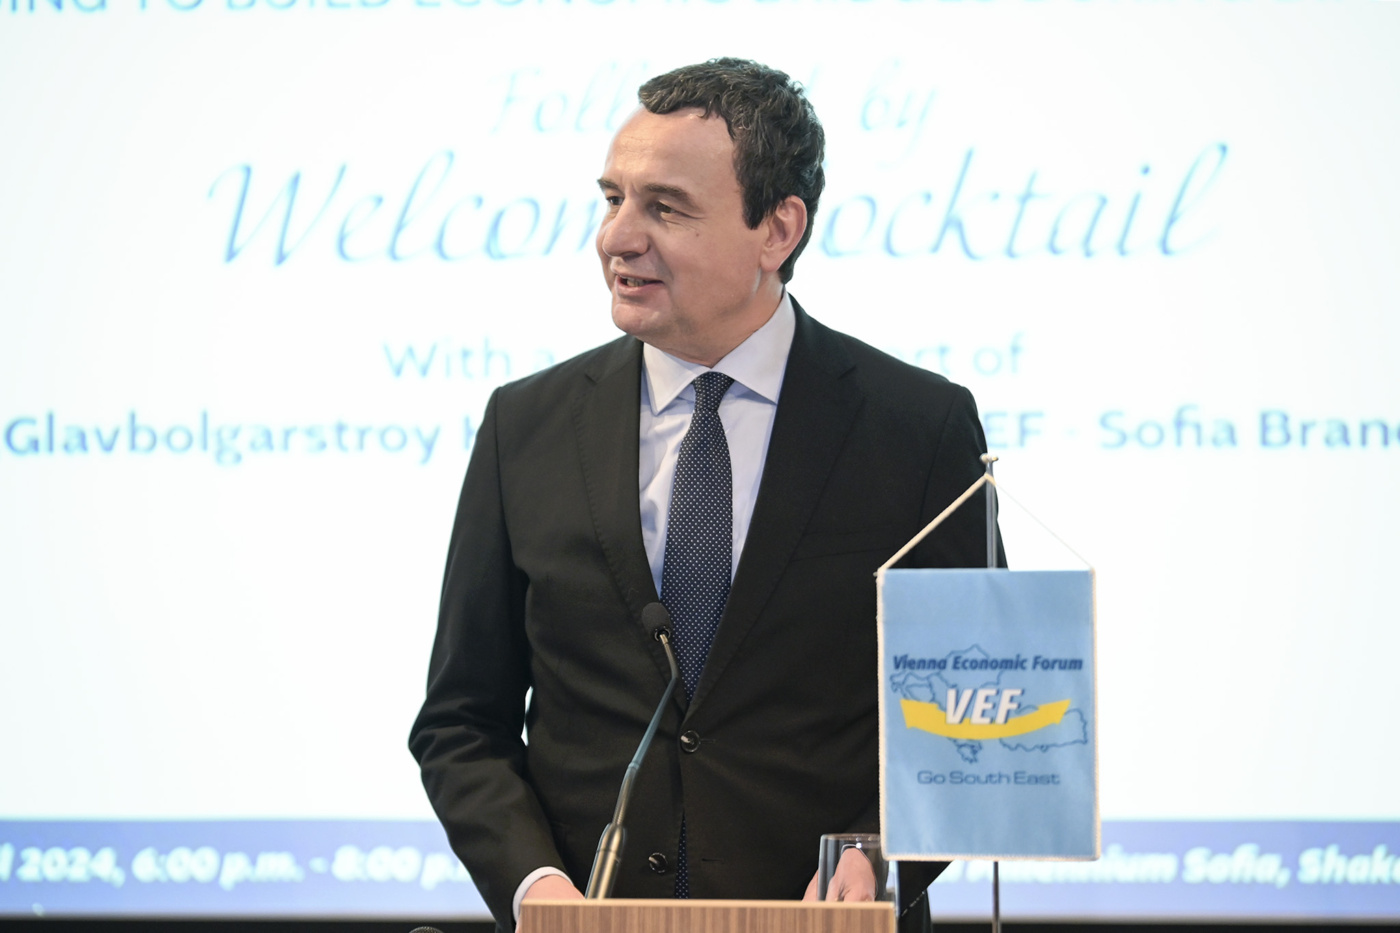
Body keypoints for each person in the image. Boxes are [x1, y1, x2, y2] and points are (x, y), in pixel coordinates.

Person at [409, 58, 1001, 931]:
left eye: (665, 207)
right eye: (612, 199)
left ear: (777, 230)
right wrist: (537, 889)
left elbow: (974, 711)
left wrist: (881, 852)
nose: (618, 237)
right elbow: (461, 721)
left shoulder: (918, 427)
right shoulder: (525, 424)